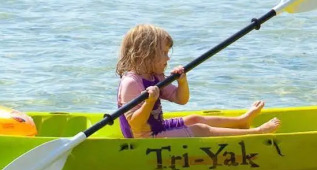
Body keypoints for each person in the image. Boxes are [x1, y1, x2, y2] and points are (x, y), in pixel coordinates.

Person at [116, 23, 281, 139]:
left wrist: (182, 81)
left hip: (158, 127)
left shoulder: (154, 76)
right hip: (144, 137)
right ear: (147, 53)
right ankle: (258, 132)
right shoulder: (131, 83)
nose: (168, 58)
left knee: (194, 118)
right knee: (200, 129)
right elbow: (136, 125)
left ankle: (241, 121)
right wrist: (149, 102)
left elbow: (181, 99)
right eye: (164, 53)